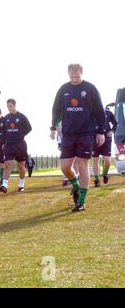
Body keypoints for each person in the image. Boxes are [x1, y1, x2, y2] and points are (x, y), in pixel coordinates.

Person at [50, 63, 105, 212]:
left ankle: (81, 202)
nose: (74, 79)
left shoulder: (90, 89)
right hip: (68, 134)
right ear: (68, 74)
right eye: (71, 77)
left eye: (77, 76)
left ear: (82, 74)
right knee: (65, 167)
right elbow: (56, 109)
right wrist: (53, 127)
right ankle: (76, 187)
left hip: (86, 133)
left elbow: (100, 111)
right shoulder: (63, 89)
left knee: (83, 165)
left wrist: (101, 131)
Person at [0, 99, 32, 193]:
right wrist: (3, 143)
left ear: (15, 105)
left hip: (20, 144)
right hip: (9, 144)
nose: (9, 108)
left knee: (21, 166)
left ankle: (21, 185)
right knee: (7, 164)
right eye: (7, 106)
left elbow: (29, 128)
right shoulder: (6, 118)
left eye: (10, 106)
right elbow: (4, 131)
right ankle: (4, 185)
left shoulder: (21, 116)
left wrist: (21, 135)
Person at [92, 106, 117, 186]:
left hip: (106, 138)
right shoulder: (90, 112)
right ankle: (97, 180)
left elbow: (115, 123)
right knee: (95, 160)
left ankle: (105, 173)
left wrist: (112, 131)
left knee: (107, 161)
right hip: (94, 138)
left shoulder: (108, 113)